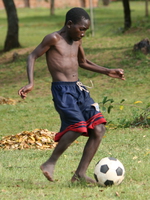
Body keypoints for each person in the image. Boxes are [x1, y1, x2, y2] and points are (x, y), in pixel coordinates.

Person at [18, 7, 125, 184]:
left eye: (85, 30)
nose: (83, 34)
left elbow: (83, 62)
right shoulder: (53, 39)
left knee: (99, 128)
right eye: (81, 29)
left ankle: (79, 174)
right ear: (69, 24)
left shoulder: (77, 41)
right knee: (77, 126)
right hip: (62, 91)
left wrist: (107, 71)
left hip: (78, 89)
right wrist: (31, 82)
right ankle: (50, 163)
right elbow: (32, 56)